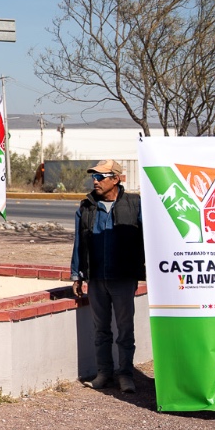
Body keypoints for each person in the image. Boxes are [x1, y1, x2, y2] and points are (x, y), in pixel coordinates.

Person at [71, 159, 146, 394]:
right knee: (100, 330)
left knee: (125, 330)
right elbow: (78, 244)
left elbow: (149, 239)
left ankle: (125, 374)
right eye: (94, 176)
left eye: (101, 177)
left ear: (116, 178)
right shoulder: (86, 207)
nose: (95, 181)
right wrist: (77, 274)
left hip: (123, 278)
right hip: (96, 279)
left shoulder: (135, 204)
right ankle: (104, 373)